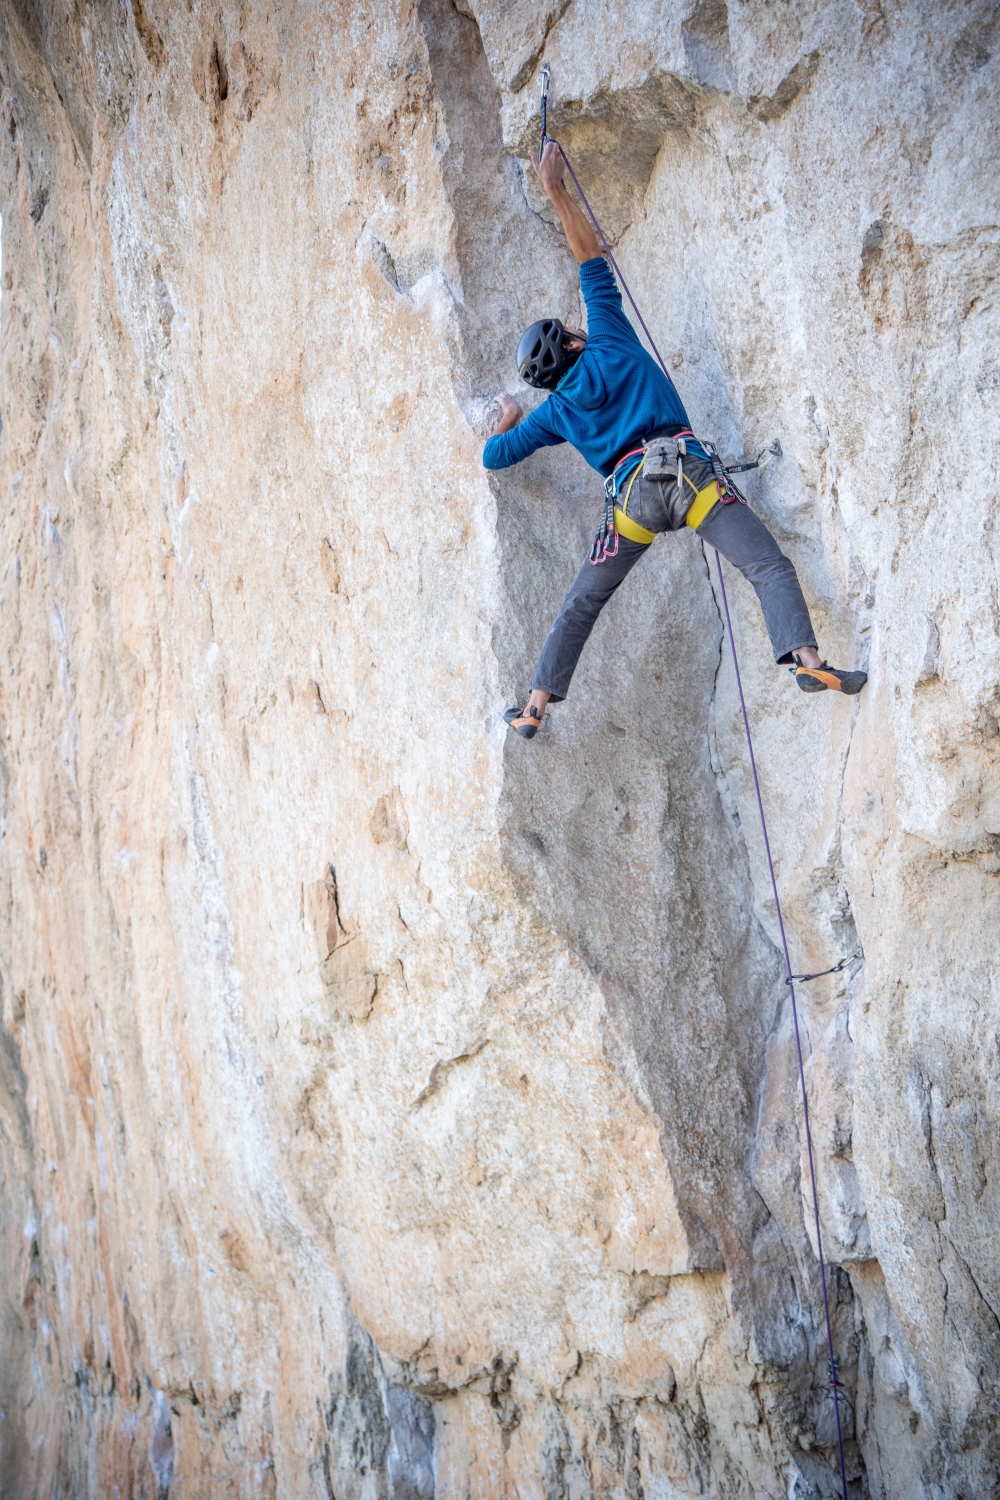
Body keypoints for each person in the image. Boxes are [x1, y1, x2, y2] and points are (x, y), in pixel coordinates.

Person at [484, 141, 867, 740]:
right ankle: (809, 663)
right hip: (689, 479)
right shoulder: (608, 338)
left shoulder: (553, 414)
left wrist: (506, 419)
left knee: (582, 604)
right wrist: (556, 188)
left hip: (630, 507)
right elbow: (591, 261)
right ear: (575, 343)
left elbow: (494, 456)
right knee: (765, 564)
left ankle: (534, 705)